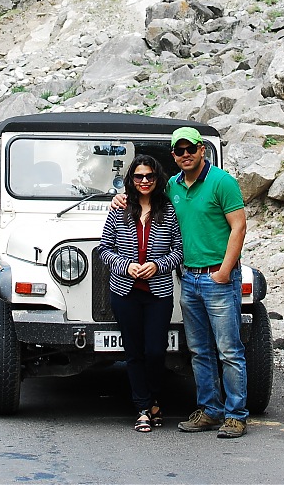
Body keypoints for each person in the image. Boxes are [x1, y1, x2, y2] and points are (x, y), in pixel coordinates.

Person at [112, 127, 249, 438]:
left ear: (202, 150)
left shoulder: (222, 182)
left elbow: (239, 227)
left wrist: (225, 271)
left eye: (191, 148)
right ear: (173, 156)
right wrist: (118, 197)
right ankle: (210, 411)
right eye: (179, 150)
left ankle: (236, 414)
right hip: (189, 277)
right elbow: (143, 193)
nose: (185, 154)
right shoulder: (172, 186)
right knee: (200, 350)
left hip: (218, 276)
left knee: (228, 349)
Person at [98, 154, 183, 433]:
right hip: (125, 291)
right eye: (138, 176)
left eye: (149, 176)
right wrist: (127, 266)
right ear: (131, 180)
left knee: (155, 351)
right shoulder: (119, 209)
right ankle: (143, 408)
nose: (144, 181)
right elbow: (104, 249)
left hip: (158, 293)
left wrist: (157, 265)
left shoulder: (168, 210)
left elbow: (178, 251)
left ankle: (155, 398)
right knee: (133, 353)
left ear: (157, 179)